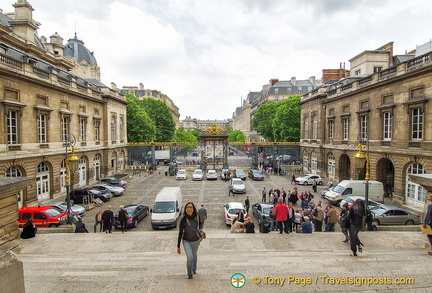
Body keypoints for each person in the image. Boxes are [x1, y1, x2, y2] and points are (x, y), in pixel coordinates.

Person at [177, 202, 202, 279]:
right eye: (187, 207)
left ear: (193, 208)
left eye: (191, 207)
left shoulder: (197, 217)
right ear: (185, 209)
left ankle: (194, 268)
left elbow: (201, 225)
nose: (189, 209)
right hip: (186, 241)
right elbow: (180, 232)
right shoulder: (183, 220)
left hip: (196, 241)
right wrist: (178, 246)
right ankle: (189, 273)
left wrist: (200, 232)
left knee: (194, 255)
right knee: (190, 257)